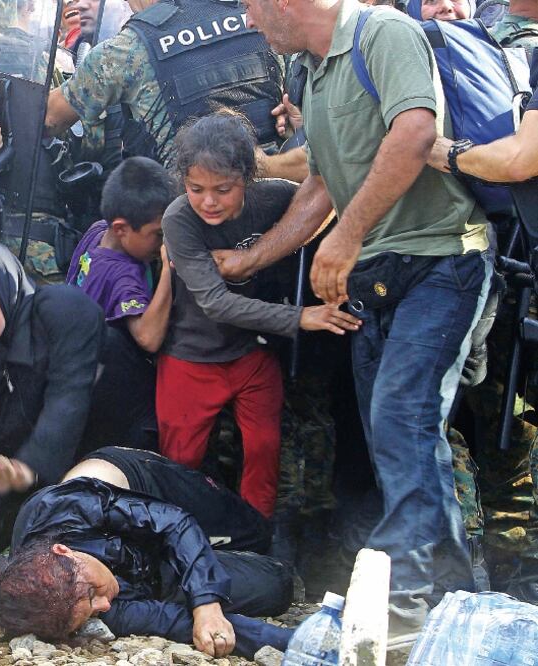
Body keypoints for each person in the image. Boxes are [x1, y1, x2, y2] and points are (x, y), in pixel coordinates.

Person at [235, 0, 491, 643]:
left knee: (401, 415)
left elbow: (414, 135)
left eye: (249, 5)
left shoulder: (386, 34)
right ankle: (459, 595)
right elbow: (322, 182)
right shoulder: (309, 73)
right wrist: (252, 259)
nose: (246, 21)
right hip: (377, 276)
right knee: (399, 433)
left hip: (442, 258)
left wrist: (345, 239)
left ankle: (405, 594)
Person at [158, 111, 360, 519]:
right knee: (180, 462)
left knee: (265, 452)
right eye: (196, 188)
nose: (209, 201)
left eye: (223, 189)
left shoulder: (274, 197)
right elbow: (216, 302)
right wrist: (299, 318)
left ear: (247, 179)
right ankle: (176, 538)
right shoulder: (179, 219)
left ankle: (258, 539)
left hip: (253, 353)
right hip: (192, 356)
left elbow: (320, 205)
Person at [0, 242, 157, 561]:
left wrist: (27, 468)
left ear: (3, 289)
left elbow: (66, 403)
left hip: (130, 459)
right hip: (57, 466)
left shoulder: (61, 310)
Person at [0, 447, 294, 659]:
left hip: (144, 484)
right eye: (91, 613)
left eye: (92, 594)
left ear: (65, 552)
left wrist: (207, 603)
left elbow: (172, 522)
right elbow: (172, 621)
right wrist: (294, 643)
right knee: (276, 587)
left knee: (252, 529)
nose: (103, 605)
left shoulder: (67, 508)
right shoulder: (78, 606)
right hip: (146, 563)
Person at [426, 77, 538, 604]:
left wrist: (442, 151)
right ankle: (510, 574)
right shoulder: (503, 62)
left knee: (460, 423)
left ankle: (486, 572)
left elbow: (520, 160)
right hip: (497, 268)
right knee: (500, 425)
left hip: (474, 268)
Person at [43, 0, 284, 166]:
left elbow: (48, 118)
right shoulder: (256, 16)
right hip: (279, 198)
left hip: (187, 218)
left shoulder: (126, 47)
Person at [66, 156, 175, 356]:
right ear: (121, 229)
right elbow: (148, 338)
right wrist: (169, 269)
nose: (163, 242)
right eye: (158, 234)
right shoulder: (122, 276)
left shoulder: (97, 231)